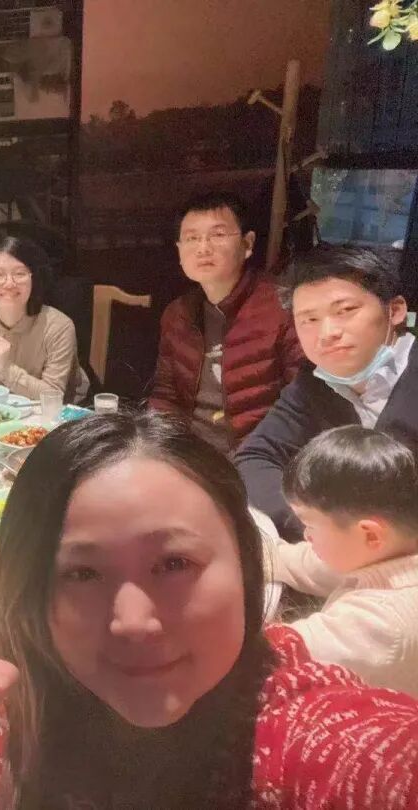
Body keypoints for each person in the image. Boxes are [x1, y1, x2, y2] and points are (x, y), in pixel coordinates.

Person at [0, 412, 418, 809]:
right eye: (83, 574)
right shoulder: (8, 716)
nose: (133, 622)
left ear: (247, 567)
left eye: (173, 564)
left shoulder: (309, 732)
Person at [236, 245, 416, 540]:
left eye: (345, 311)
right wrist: (316, 525)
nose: (328, 332)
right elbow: (254, 458)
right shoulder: (314, 384)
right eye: (309, 319)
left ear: (395, 311)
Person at [262, 426, 418, 697]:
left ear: (371, 534)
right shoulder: (384, 552)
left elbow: (270, 655)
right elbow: (312, 564)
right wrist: (251, 556)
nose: (306, 536)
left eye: (310, 525)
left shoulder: (382, 623)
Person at [150, 192, 306, 454]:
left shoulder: (284, 307)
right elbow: (166, 396)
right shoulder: (177, 314)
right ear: (179, 251)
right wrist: (163, 450)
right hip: (192, 455)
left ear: (248, 244)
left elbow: (302, 402)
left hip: (260, 456)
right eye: (191, 238)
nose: (203, 248)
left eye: (218, 235)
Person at [0, 234, 89, 402]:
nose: (9, 283)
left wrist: (7, 369)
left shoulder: (59, 327)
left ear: (33, 278)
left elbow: (53, 397)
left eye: (19, 273)